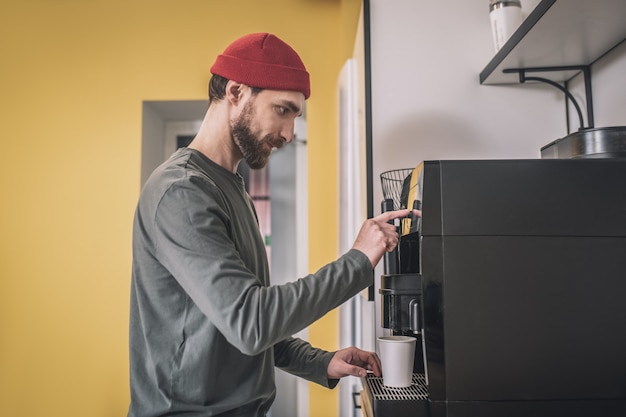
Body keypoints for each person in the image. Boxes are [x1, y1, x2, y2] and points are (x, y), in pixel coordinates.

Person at [128, 32, 416, 417]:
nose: (288, 134)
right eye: (283, 110)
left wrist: (319, 361)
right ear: (236, 92)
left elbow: (231, 328)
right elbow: (251, 323)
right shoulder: (183, 192)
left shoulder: (232, 189)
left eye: (295, 117)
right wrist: (358, 260)